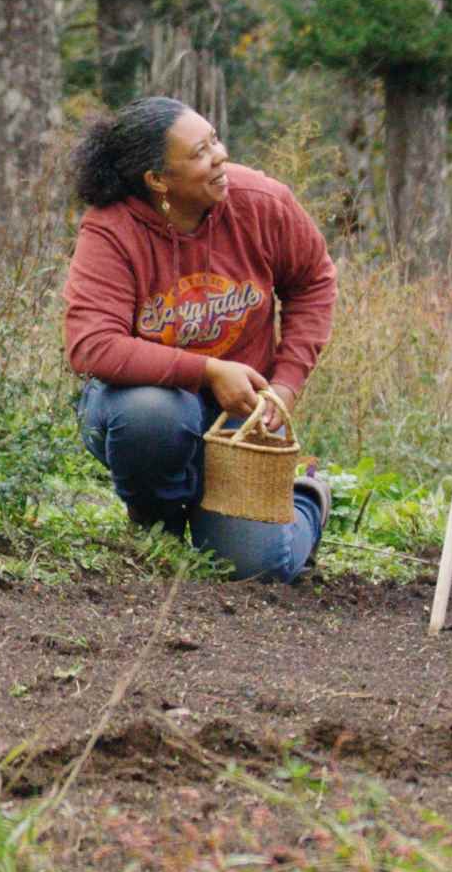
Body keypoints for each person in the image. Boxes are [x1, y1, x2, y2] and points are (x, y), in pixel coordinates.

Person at [62, 97, 339, 581]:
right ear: (157, 179)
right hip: (147, 409)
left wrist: (287, 383)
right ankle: (159, 528)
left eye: (215, 140)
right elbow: (91, 345)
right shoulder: (112, 228)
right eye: (200, 153)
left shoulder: (262, 203)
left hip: (240, 418)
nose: (221, 156)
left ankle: (308, 499)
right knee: (152, 414)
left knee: (255, 568)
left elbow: (314, 281)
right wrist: (209, 370)